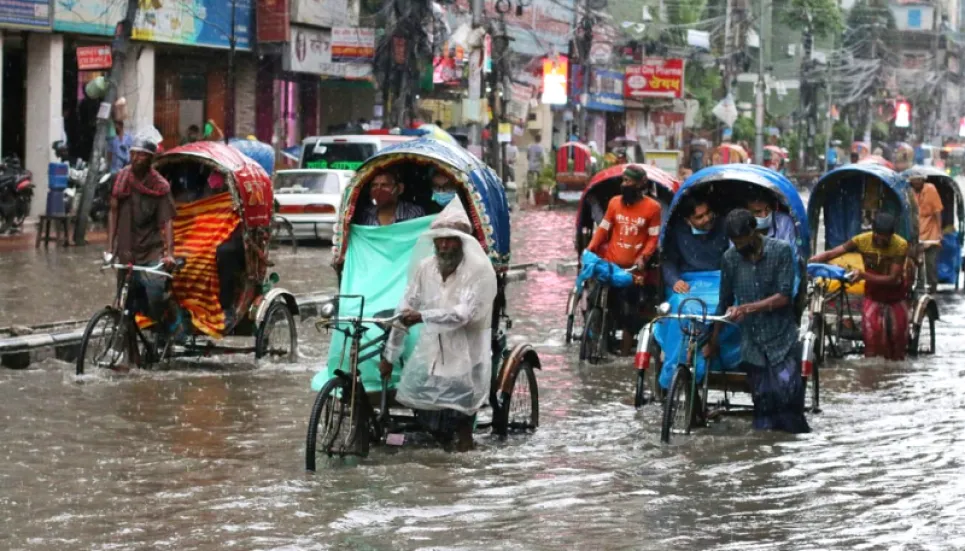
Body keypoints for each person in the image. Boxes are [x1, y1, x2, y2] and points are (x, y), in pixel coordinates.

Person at [379, 197, 497, 452]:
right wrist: (390, 355)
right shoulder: (426, 268)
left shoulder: (477, 270)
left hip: (467, 356)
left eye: (450, 239)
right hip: (433, 354)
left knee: (462, 428)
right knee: (422, 407)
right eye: (439, 240)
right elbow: (405, 308)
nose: (444, 245)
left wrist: (423, 316)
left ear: (462, 242)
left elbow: (463, 314)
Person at [705, 209, 810, 434]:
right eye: (735, 242)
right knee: (763, 404)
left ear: (754, 231)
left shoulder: (780, 251)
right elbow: (723, 301)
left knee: (788, 397)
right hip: (752, 342)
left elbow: (784, 296)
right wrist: (713, 339)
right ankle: (763, 453)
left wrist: (747, 308)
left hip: (781, 338)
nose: (740, 246)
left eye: (742, 240)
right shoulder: (730, 259)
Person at [105, 128, 180, 368]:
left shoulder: (160, 186)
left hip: (150, 250)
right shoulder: (122, 179)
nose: (136, 159)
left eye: (141, 155)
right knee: (125, 307)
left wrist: (169, 252)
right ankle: (131, 357)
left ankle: (165, 324)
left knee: (154, 294)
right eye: (133, 154)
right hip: (126, 250)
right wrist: (110, 248)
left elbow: (166, 221)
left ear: (150, 159)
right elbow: (113, 212)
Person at [809, 212, 911, 360]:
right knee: (871, 333)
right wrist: (815, 260)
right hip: (873, 294)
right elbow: (835, 252)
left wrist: (863, 275)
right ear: (874, 233)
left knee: (898, 334)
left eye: (887, 239)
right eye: (880, 237)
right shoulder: (861, 240)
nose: (883, 242)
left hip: (895, 295)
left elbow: (893, 279)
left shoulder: (900, 245)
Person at [585, 165, 663, 355]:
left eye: (628, 181)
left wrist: (643, 257)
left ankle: (625, 351)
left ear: (639, 184)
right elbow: (603, 229)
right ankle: (595, 341)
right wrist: (590, 249)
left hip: (634, 270)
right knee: (594, 299)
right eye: (623, 180)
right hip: (611, 265)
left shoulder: (653, 208)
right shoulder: (614, 203)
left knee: (630, 312)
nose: (624, 185)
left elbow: (653, 239)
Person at [661, 193, 730, 294]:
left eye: (708, 212)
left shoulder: (724, 225)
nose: (707, 219)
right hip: (689, 282)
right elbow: (668, 261)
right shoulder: (677, 232)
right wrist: (675, 281)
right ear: (688, 220)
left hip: (721, 280)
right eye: (699, 217)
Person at [909, 171, 943, 294]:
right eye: (914, 180)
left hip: (931, 231)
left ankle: (932, 288)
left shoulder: (931, 189)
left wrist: (939, 231)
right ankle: (917, 286)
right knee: (914, 261)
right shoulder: (909, 191)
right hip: (915, 231)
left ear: (923, 180)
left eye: (919, 180)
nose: (916, 182)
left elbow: (937, 210)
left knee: (931, 263)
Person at [355, 170, 425, 226]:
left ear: (400, 188)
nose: (378, 190)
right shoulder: (365, 214)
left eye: (385, 185)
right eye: (374, 185)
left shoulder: (414, 213)